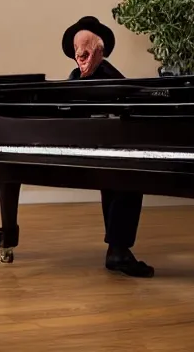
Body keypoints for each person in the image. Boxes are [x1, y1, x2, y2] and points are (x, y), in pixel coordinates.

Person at [61, 16, 154, 278]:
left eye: (87, 49)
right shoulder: (71, 82)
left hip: (107, 148)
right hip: (78, 149)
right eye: (77, 50)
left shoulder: (117, 81)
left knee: (127, 170)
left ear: (100, 52)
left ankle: (118, 249)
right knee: (124, 171)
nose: (81, 55)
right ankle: (118, 250)